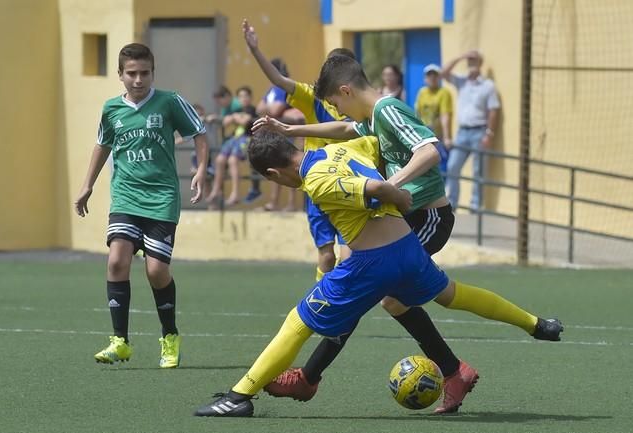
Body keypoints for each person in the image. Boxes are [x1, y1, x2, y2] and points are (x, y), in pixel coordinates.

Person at [192, 131, 562, 417]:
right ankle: (535, 323)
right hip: (408, 251)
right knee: (452, 294)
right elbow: (375, 141)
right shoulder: (343, 149)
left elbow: (375, 187)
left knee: (297, 322)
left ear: (273, 173)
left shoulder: (316, 179)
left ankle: (239, 397)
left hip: (372, 263)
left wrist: (397, 195)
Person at [253, 55, 465, 412]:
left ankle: (454, 371)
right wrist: (292, 131)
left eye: (336, 105)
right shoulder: (369, 118)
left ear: (346, 91)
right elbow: (346, 131)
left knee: (384, 296)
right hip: (400, 217)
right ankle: (310, 377)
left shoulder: (387, 110)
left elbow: (430, 152)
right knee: (363, 281)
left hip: (427, 216)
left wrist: (388, 185)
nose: (338, 112)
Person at [74, 43, 207, 369]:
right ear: (120, 75)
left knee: (156, 270)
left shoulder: (169, 102)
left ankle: (170, 336)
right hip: (126, 197)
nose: (138, 79)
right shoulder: (111, 109)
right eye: (131, 73)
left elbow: (200, 133)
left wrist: (201, 170)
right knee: (117, 260)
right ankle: (120, 341)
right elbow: (103, 144)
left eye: (143, 73)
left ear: (152, 73)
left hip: (161, 198)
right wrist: (87, 184)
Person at [242, 19, 352, 281]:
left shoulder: (360, 103)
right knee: (327, 256)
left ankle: (341, 307)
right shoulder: (312, 97)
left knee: (350, 255)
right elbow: (277, 79)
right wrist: (256, 50)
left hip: (348, 182)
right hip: (316, 183)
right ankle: (321, 306)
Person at [441, 50, 501, 211]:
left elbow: (493, 110)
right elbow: (444, 73)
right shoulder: (462, 81)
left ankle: (475, 205)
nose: (471, 63)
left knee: (478, 170)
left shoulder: (487, 86)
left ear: (480, 63)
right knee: (453, 166)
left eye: (474, 61)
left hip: (479, 131)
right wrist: (460, 57)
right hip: (462, 132)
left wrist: (489, 133)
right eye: (470, 61)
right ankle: (451, 203)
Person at [255, 57, 302, 212]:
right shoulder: (271, 89)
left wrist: (269, 109)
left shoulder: (284, 87)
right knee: (276, 168)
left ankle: (291, 204)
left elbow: (274, 110)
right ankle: (274, 202)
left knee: (292, 166)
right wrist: (270, 109)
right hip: (277, 133)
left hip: (290, 132)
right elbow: (259, 108)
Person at [206, 86, 256, 207]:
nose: (243, 99)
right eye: (240, 96)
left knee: (233, 160)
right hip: (235, 138)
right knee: (219, 160)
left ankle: (235, 194)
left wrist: (234, 117)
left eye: (245, 96)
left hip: (246, 138)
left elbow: (244, 121)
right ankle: (216, 190)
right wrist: (235, 118)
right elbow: (225, 122)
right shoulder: (237, 109)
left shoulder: (250, 109)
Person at [415, 64, 454, 176]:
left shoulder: (444, 93)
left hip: (438, 137)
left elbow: (445, 115)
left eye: (435, 75)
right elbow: (417, 113)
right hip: (424, 136)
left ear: (439, 78)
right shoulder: (422, 92)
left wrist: (446, 137)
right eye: (429, 76)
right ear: (425, 78)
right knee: (424, 168)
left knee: (441, 168)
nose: (432, 78)